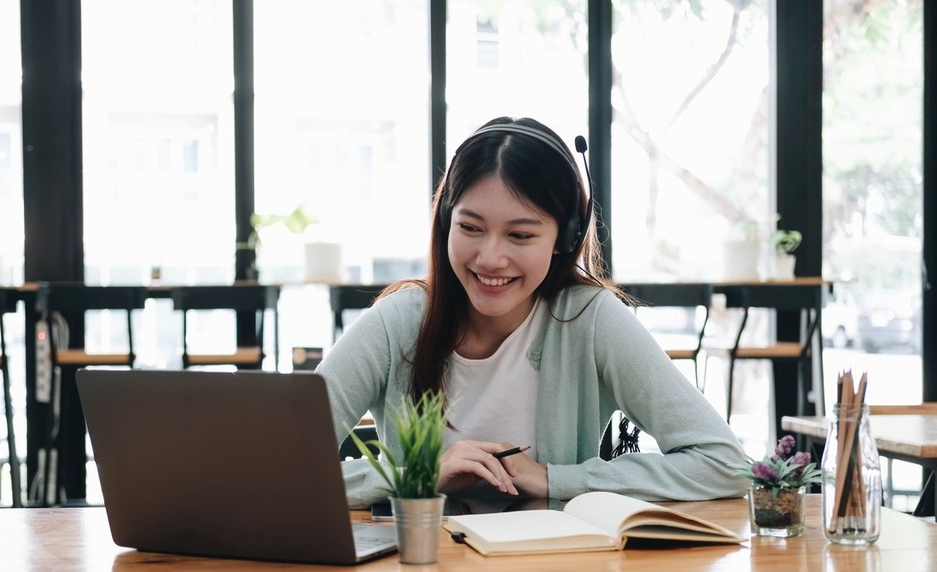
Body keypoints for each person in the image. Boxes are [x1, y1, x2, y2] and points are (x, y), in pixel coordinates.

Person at [317, 116, 748, 508]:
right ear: (447, 221)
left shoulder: (589, 320)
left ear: (566, 237)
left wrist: (555, 479)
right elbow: (275, 467)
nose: (491, 258)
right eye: (470, 227)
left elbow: (724, 462)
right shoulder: (400, 322)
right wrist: (418, 478)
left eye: (520, 235)